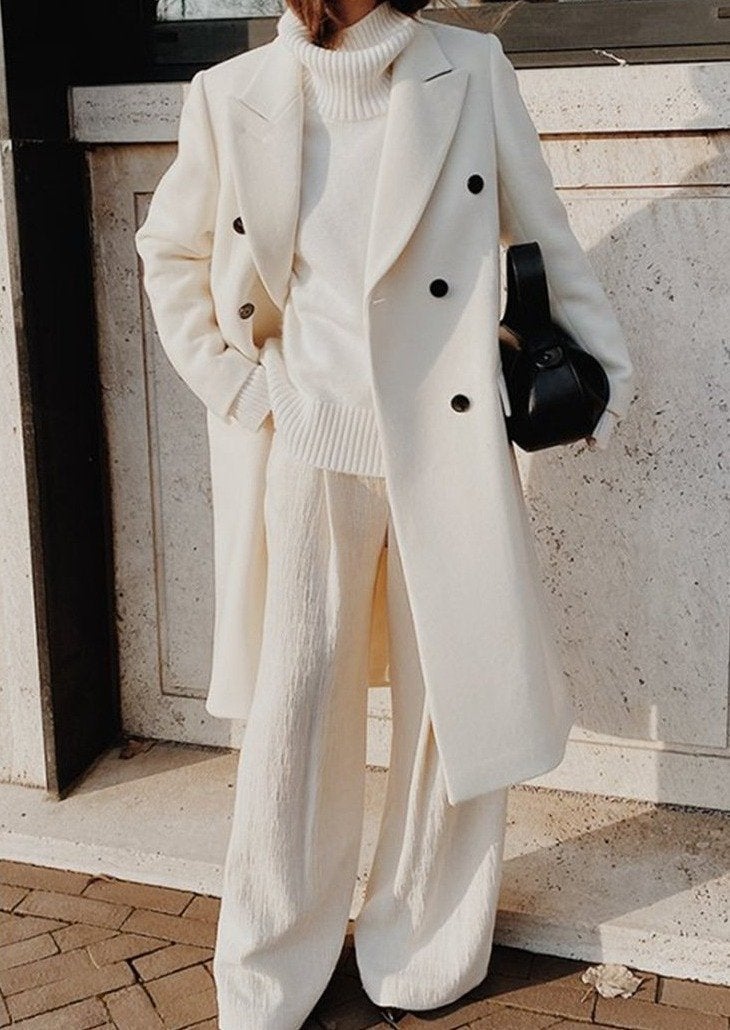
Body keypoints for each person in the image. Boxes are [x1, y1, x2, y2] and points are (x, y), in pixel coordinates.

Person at [135, 1, 634, 1026]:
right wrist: (242, 392)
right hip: (306, 442)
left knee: (450, 702)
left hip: (445, 438)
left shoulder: (470, 67)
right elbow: (170, 251)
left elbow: (542, 233)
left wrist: (602, 381)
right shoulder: (231, 92)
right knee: (294, 709)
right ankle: (270, 963)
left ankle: (424, 943)